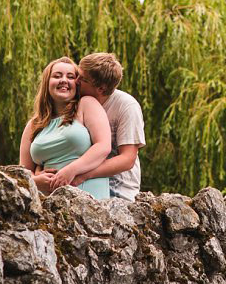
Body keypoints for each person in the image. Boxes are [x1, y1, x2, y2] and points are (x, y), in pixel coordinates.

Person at [19, 56, 112, 199]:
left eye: (70, 76)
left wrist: (70, 170)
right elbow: (23, 171)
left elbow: (103, 146)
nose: (64, 80)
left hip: (87, 194)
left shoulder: (87, 104)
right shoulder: (34, 124)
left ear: (77, 83)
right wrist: (35, 181)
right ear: (47, 83)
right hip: (49, 199)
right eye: (57, 76)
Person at [71, 52, 145, 201]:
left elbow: (127, 158)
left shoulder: (126, 106)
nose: (76, 81)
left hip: (116, 189)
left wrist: (85, 174)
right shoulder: (75, 100)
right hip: (77, 180)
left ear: (101, 89)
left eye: (83, 79)